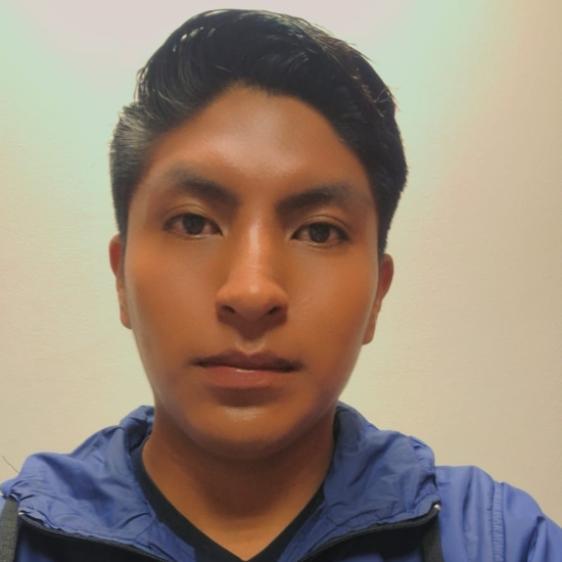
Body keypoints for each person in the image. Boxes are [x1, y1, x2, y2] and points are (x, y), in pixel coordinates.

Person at [0, 8, 560, 562]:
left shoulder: (500, 542)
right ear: (121, 277)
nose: (251, 292)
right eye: (193, 223)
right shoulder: (16, 538)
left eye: (318, 231)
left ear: (377, 296)